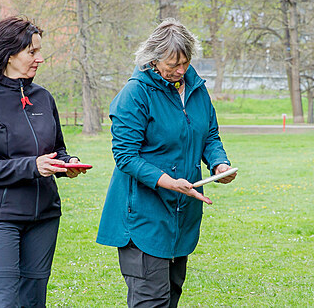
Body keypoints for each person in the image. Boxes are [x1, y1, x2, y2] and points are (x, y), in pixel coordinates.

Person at [96, 18, 237, 307]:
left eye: (185, 62)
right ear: (153, 58)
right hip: (143, 216)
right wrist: (167, 182)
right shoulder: (135, 94)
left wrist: (219, 164)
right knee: (151, 300)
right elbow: (125, 156)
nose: (181, 70)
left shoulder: (196, 88)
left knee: (171, 295)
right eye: (173, 64)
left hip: (181, 213)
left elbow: (209, 134)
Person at [0, 16, 88, 307]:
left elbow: (57, 149)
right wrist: (33, 166)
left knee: (33, 302)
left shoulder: (43, 98)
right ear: (8, 54)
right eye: (32, 52)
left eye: (39, 51)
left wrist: (69, 164)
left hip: (43, 217)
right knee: (3, 302)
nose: (40, 59)